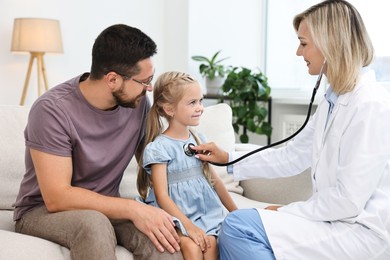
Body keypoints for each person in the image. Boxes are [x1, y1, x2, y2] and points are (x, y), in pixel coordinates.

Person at [193, 0, 390, 259]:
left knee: (239, 226)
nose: (298, 52)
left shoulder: (371, 104)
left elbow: (348, 201)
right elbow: (291, 156)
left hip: (360, 231)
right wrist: (229, 160)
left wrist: (285, 211)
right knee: (237, 225)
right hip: (335, 220)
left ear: (330, 43)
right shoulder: (333, 101)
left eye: (304, 43)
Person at [13, 24, 183, 260]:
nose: (149, 88)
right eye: (144, 81)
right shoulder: (51, 110)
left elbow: (157, 159)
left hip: (107, 207)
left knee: (163, 237)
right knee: (94, 223)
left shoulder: (137, 103)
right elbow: (57, 197)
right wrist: (134, 209)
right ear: (112, 79)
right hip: (41, 212)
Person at [137, 71, 237, 260]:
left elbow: (215, 182)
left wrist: (237, 213)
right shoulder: (159, 148)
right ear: (169, 109)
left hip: (205, 213)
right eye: (192, 103)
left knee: (211, 245)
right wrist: (188, 227)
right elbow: (162, 196)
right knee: (192, 248)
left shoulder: (200, 140)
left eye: (201, 101)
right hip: (175, 215)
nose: (200, 108)